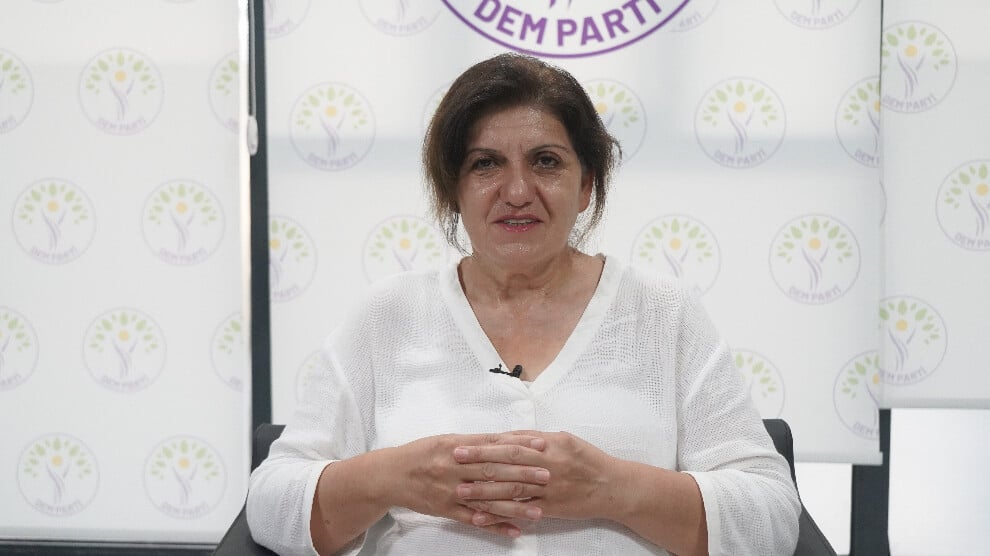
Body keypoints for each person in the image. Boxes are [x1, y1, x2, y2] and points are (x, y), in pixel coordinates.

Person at [246, 52, 801, 555]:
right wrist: (393, 478)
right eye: (485, 164)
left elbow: (771, 516)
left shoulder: (664, 312)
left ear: (586, 186)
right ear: (453, 189)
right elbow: (271, 503)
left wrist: (613, 488)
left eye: (546, 161)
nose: (516, 192)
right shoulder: (387, 314)